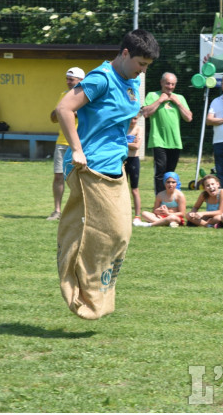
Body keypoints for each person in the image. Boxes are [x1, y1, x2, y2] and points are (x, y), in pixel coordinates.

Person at [55, 29, 160, 320]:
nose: (142, 71)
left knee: (121, 235)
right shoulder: (100, 78)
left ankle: (98, 296)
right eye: (140, 63)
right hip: (90, 168)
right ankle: (80, 295)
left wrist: (127, 139)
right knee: (105, 234)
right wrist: (76, 149)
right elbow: (64, 109)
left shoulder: (130, 82)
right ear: (125, 53)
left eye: (147, 67)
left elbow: (114, 121)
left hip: (116, 166)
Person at [143, 72, 193, 194]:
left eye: (172, 84)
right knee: (160, 171)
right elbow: (145, 113)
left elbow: (189, 118)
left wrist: (178, 103)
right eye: (167, 83)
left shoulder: (179, 98)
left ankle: (170, 199)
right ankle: (160, 200)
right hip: (158, 140)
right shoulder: (152, 95)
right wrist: (160, 100)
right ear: (161, 83)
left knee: (171, 173)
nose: (170, 87)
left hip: (175, 141)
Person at [47, 67, 85, 221]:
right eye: (67, 79)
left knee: (79, 179)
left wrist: (70, 112)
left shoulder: (87, 97)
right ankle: (57, 211)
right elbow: (54, 118)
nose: (68, 82)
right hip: (61, 143)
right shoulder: (63, 95)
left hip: (79, 144)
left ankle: (81, 211)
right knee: (58, 177)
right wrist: (58, 111)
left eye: (71, 79)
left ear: (80, 81)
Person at [126, 114, 143, 225]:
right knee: (121, 189)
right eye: (131, 118)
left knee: (134, 190)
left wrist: (125, 143)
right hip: (123, 160)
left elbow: (137, 146)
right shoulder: (123, 128)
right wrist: (132, 143)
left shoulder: (139, 129)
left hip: (134, 160)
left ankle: (137, 216)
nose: (133, 121)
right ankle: (123, 215)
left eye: (135, 118)